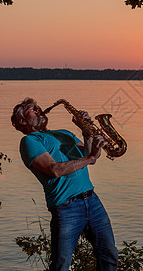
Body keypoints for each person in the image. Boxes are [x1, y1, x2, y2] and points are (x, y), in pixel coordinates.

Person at [11, 98, 118, 271]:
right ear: (22, 121)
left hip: (92, 200)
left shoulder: (65, 133)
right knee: (61, 266)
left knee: (109, 258)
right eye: (33, 109)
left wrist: (86, 131)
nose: (39, 109)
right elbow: (54, 170)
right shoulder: (30, 141)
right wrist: (90, 157)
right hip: (66, 207)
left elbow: (91, 158)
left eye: (38, 107)